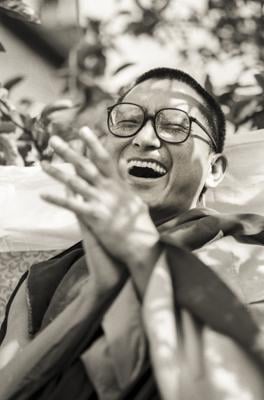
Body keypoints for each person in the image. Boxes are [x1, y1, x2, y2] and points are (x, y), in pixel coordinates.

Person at [0, 67, 264, 400]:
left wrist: (144, 258)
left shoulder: (247, 245)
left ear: (214, 169)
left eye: (173, 126)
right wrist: (96, 296)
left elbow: (239, 378)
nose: (144, 138)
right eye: (127, 122)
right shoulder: (47, 278)